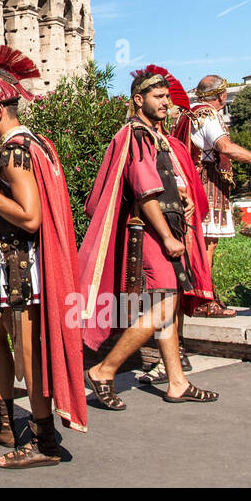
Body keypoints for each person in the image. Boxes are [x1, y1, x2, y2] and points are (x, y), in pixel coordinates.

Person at [0, 45, 88, 467]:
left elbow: (30, 218)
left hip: (22, 266)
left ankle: (44, 441)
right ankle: (4, 418)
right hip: (9, 263)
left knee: (30, 354)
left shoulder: (14, 152)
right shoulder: (32, 143)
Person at [79, 67, 219, 409]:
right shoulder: (137, 135)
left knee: (166, 309)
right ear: (138, 100)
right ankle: (103, 369)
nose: (165, 103)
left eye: (167, 97)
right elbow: (145, 193)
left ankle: (176, 382)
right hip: (150, 236)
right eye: (158, 97)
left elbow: (162, 185)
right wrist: (168, 237)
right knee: (163, 306)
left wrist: (182, 196)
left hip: (161, 231)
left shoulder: (153, 136)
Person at [171, 75, 251, 322]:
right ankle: (204, 300)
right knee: (207, 243)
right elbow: (225, 147)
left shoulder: (186, 115)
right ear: (221, 96)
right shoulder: (209, 115)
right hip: (206, 182)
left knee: (197, 242)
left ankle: (197, 296)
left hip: (191, 181)